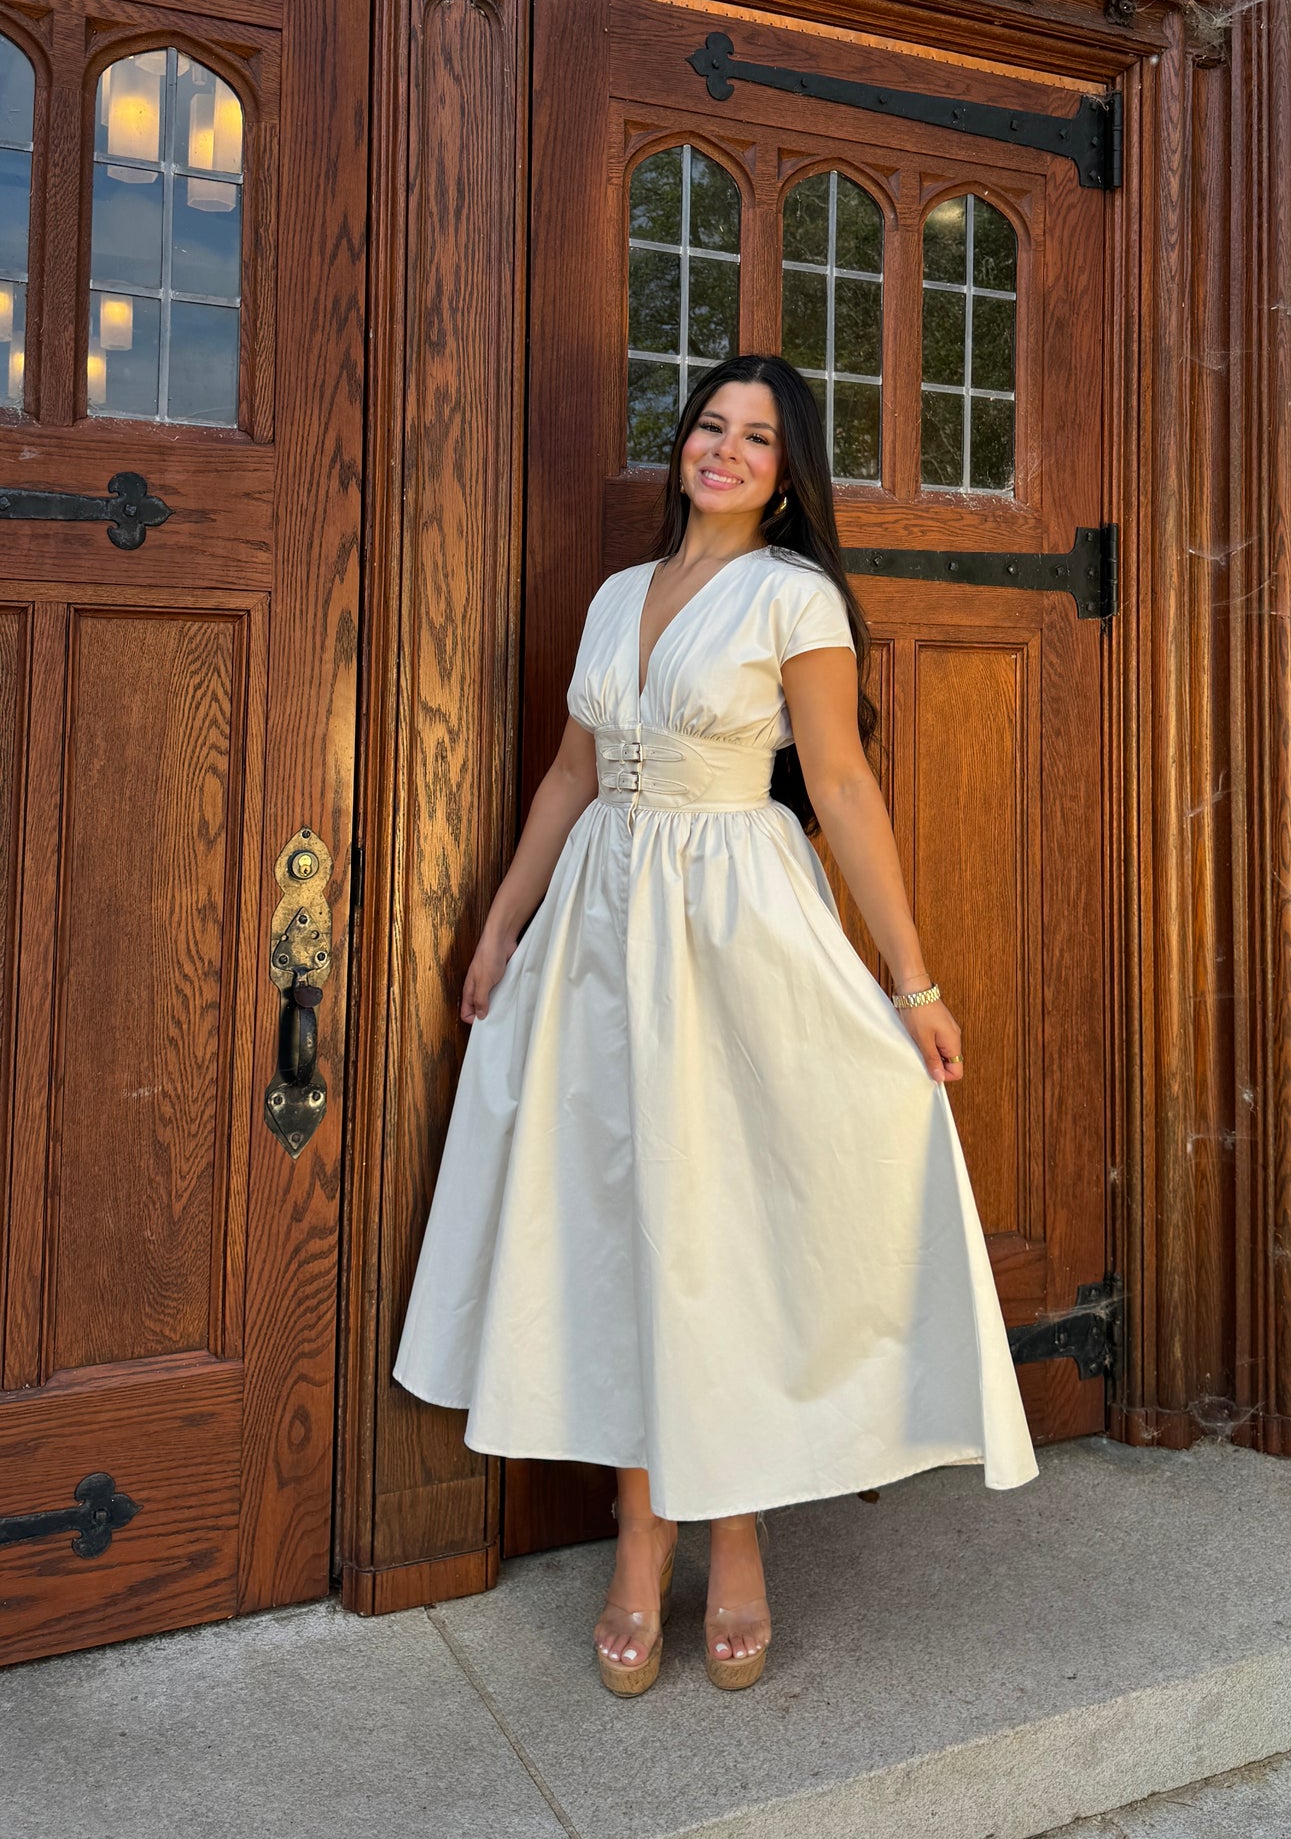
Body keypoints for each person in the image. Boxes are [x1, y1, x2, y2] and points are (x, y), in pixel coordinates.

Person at [392, 352, 1038, 1699]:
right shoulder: (618, 595)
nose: (724, 451)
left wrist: (910, 986)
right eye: (707, 427)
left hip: (734, 923)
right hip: (596, 930)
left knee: (728, 1221)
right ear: (680, 447)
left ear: (785, 470)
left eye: (755, 437)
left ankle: (733, 1528)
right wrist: (502, 924)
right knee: (622, 1223)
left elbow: (842, 789)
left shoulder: (791, 595)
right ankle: (644, 1529)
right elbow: (572, 770)